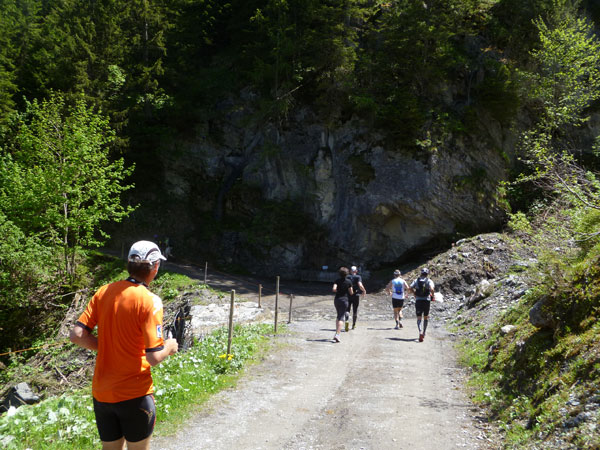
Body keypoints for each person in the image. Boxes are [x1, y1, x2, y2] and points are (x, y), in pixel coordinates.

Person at [69, 240, 179, 450]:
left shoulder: (104, 292)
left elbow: (76, 335)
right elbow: (154, 357)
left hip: (103, 393)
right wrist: (170, 347)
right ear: (155, 267)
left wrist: (109, 346)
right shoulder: (151, 301)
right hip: (134, 393)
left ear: (129, 264)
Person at [410, 267, 435, 342]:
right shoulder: (429, 281)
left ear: (421, 273)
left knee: (419, 317)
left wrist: (414, 293)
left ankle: (420, 331)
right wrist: (433, 296)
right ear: (427, 274)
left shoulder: (416, 280)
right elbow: (432, 289)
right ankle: (424, 332)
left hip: (418, 300)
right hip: (426, 301)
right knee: (426, 317)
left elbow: (410, 287)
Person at [332, 266, 353, 342]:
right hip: (344, 300)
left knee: (338, 316)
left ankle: (336, 332)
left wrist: (338, 290)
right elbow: (351, 292)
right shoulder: (349, 282)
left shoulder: (337, 281)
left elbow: (334, 289)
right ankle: (337, 335)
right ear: (347, 274)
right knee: (341, 317)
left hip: (337, 300)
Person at [346, 265, 367, 330]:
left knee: (347, 310)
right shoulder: (358, 277)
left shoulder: (347, 277)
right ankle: (353, 325)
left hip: (348, 294)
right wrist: (364, 290)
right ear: (356, 271)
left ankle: (346, 321)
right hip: (356, 295)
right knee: (355, 310)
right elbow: (360, 285)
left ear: (350, 271)